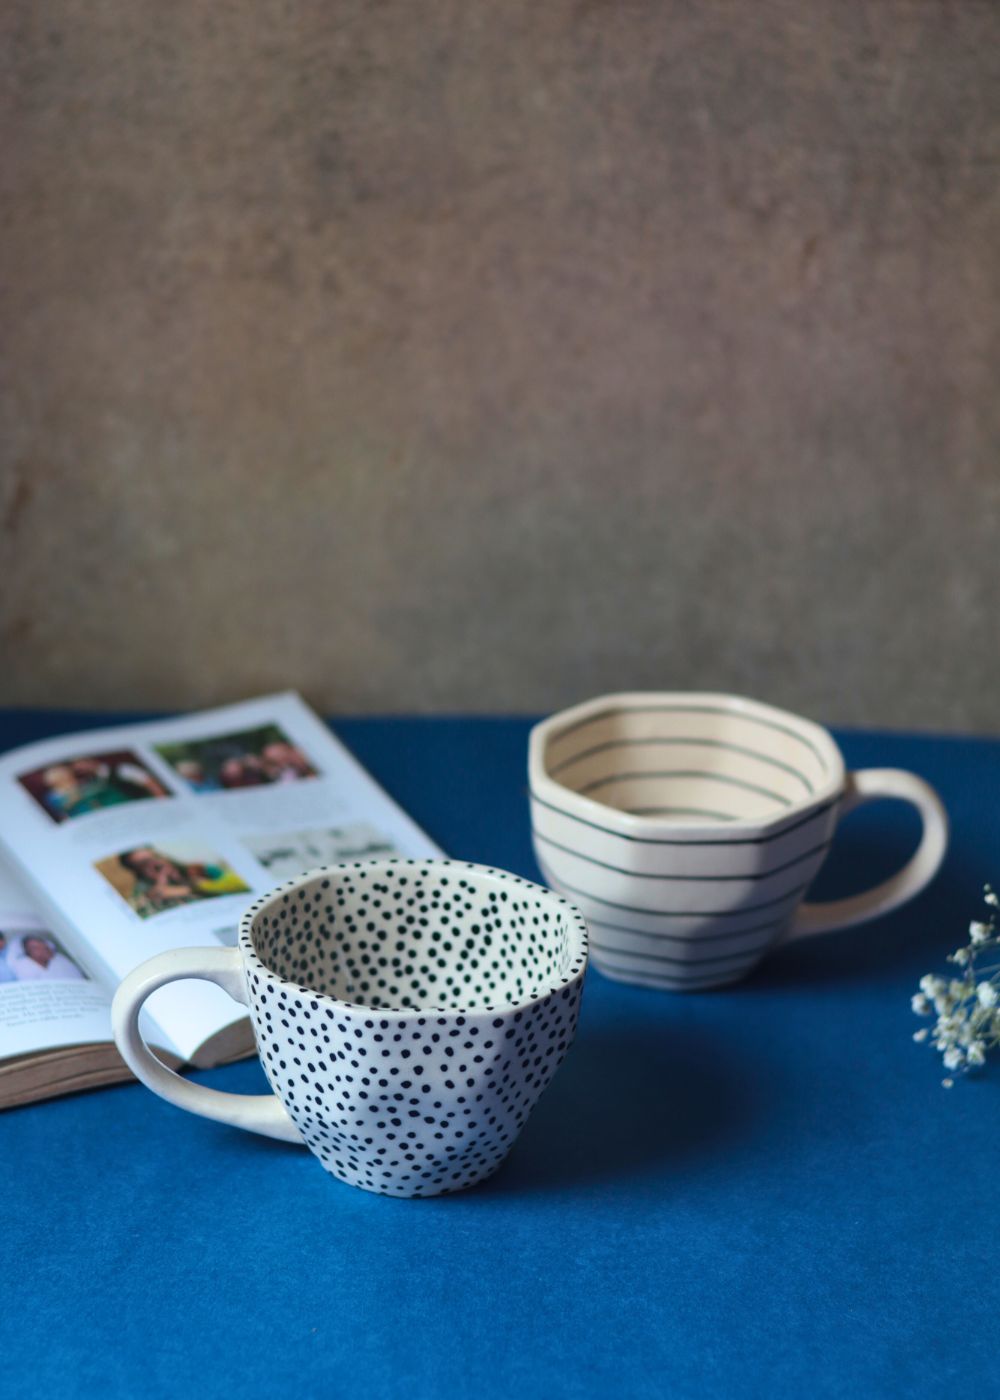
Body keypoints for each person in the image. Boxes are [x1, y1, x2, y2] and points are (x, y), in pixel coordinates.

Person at [9, 935, 85, 981]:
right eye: (35, 948)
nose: (44, 949)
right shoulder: (22, 965)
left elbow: (78, 979)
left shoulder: (60, 960)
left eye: (44, 945)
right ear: (27, 953)